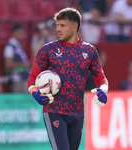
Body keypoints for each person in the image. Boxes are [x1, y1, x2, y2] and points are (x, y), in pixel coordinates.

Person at [27, 7, 108, 150]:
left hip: (78, 113)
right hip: (55, 110)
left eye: (62, 25)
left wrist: (104, 90)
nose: (58, 29)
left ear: (74, 27)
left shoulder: (89, 51)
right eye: (57, 25)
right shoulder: (47, 50)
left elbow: (101, 78)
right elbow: (32, 77)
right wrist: (35, 93)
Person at [3, 23, 31, 93]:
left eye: (22, 32)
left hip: (24, 77)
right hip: (16, 78)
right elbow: (8, 64)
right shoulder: (9, 47)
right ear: (13, 33)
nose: (22, 34)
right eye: (19, 32)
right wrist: (23, 64)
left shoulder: (20, 45)